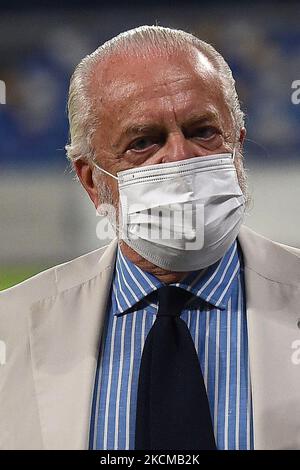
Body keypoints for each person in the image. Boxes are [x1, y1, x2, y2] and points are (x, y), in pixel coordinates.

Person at [0, 25, 299, 451]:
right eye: (143, 142)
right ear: (91, 180)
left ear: (238, 146)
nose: (179, 158)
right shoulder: (9, 331)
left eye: (202, 132)